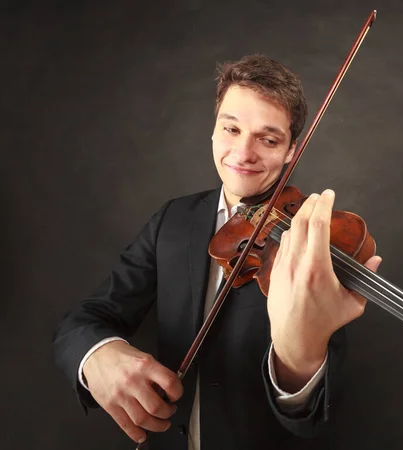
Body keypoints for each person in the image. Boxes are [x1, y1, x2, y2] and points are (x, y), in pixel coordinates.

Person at [52, 54, 382, 450]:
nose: (243, 154)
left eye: (268, 138)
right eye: (231, 129)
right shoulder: (173, 220)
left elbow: (311, 415)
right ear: (213, 131)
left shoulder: (312, 239)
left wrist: (302, 354)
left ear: (292, 150)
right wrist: (99, 356)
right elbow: (84, 320)